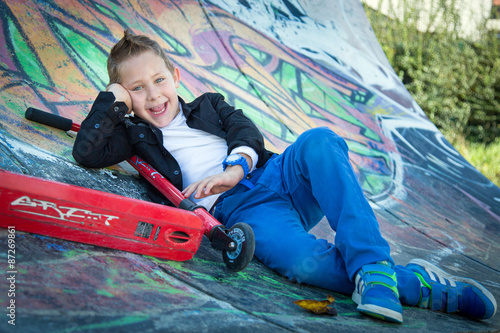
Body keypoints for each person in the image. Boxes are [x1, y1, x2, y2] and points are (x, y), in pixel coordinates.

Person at [72, 30, 497, 323]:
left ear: (176, 77)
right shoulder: (136, 138)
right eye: (137, 89)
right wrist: (112, 100)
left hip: (272, 175)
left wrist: (234, 170)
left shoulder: (207, 104)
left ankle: (371, 264)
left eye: (159, 80)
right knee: (301, 264)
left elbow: (247, 134)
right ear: (127, 98)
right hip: (244, 212)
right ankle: (420, 285)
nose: (153, 95)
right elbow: (86, 152)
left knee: (319, 141)